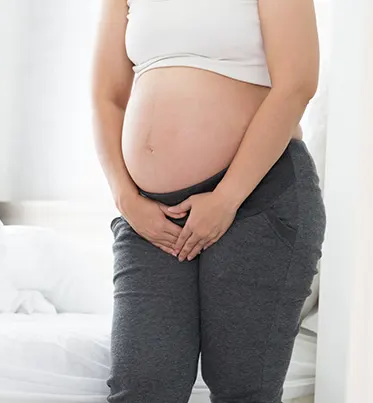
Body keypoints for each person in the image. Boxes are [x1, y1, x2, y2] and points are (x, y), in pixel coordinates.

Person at [92, 0, 325, 402]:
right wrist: (126, 199)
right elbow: (107, 96)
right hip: (151, 213)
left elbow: (297, 84)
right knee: (142, 388)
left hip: (256, 199)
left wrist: (227, 198)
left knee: (242, 390)